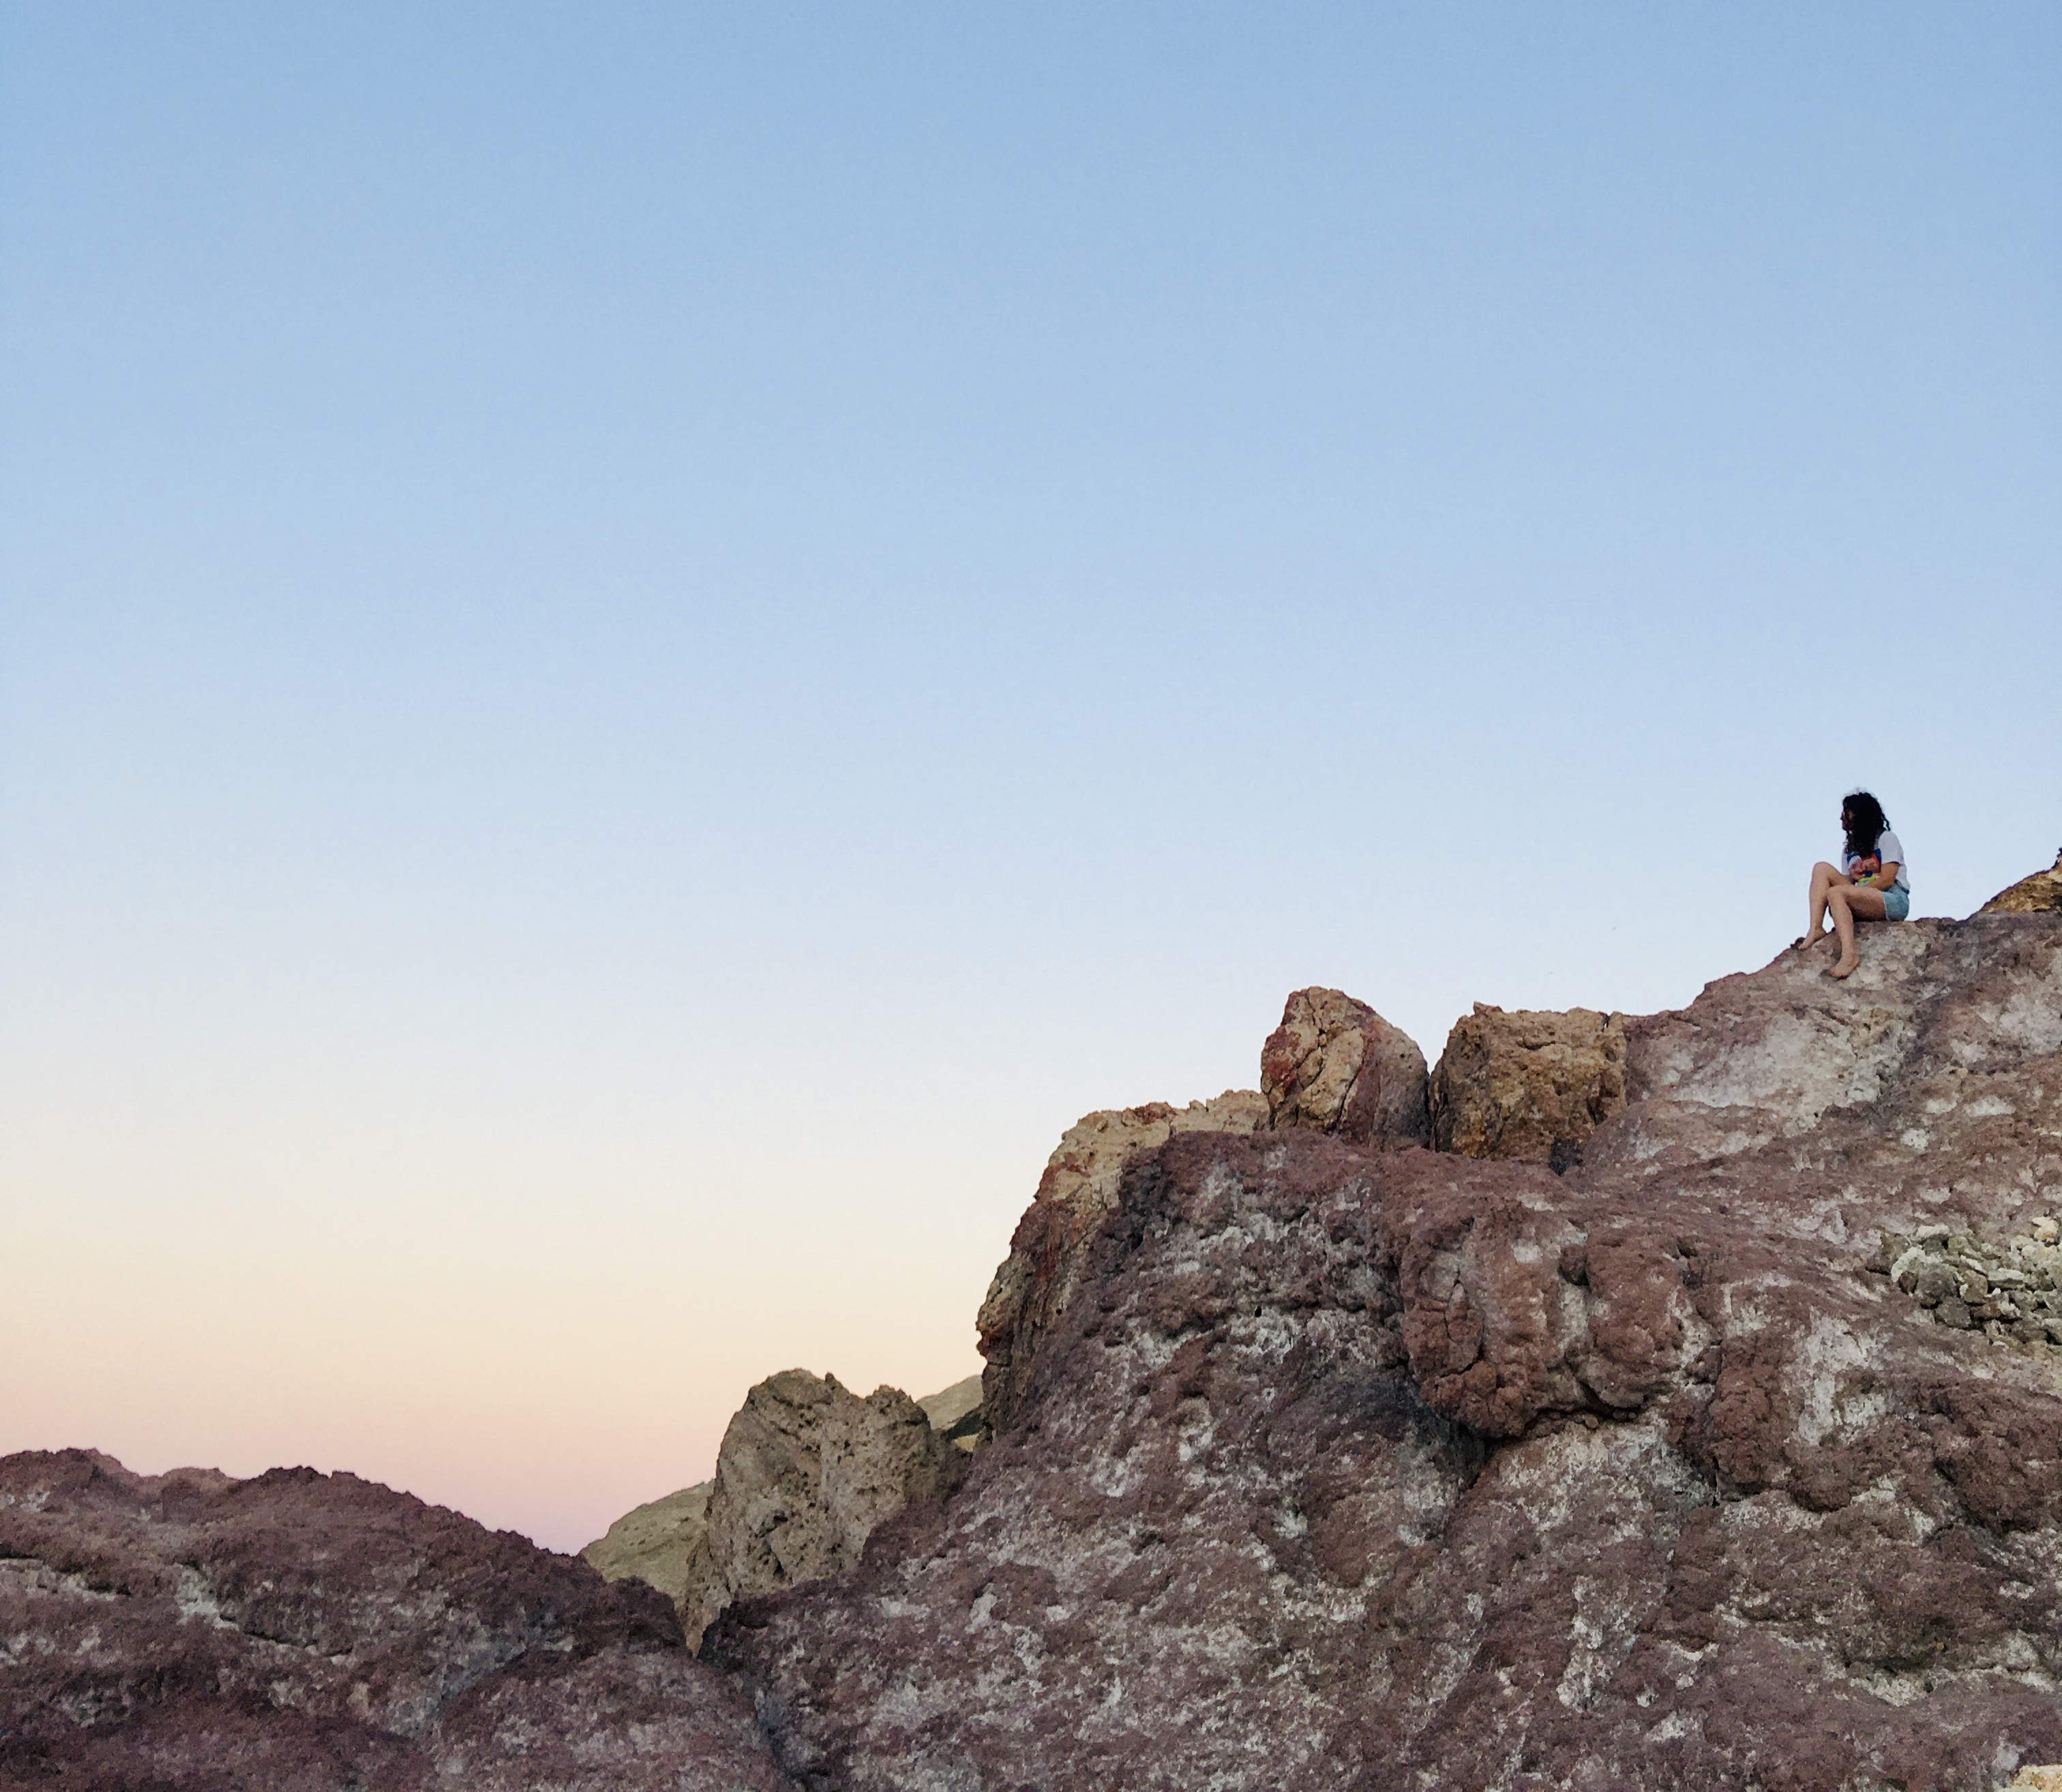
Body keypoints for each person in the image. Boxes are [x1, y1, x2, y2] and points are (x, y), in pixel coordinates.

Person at [1797, 790, 1910, 979]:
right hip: (1862, 897)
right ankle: (1815, 928)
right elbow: (1849, 883)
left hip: (1891, 898)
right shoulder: (1849, 850)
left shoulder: (1886, 839)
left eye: (1847, 812)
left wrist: (1851, 892)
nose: (1842, 817)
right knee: (1821, 869)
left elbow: (1887, 879)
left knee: (1836, 894)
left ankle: (1849, 955)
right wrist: (1851, 886)